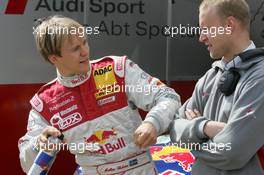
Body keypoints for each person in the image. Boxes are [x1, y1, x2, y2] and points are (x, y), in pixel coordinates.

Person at [18, 15, 181, 175]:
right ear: (54, 58)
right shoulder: (45, 102)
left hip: (139, 168)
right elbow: (27, 165)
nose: (85, 52)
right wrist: (39, 144)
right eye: (75, 49)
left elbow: (168, 97)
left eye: (84, 43)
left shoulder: (117, 70)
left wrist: (153, 123)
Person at [170, 0, 264, 174]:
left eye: (206, 29)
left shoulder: (260, 76)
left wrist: (192, 136)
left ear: (229, 25)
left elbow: (231, 153)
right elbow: (174, 128)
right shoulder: (209, 77)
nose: (201, 37)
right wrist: (204, 127)